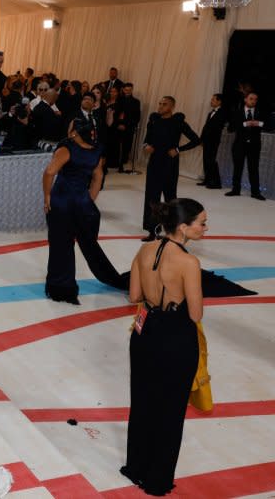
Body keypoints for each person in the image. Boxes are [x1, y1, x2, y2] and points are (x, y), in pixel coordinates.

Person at [121, 198, 206, 496]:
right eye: (201, 223)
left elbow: (134, 295)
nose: (205, 228)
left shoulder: (144, 249)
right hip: (176, 339)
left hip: (145, 334)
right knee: (170, 412)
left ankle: (136, 467)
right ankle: (156, 480)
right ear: (183, 228)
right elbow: (195, 314)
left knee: (142, 402)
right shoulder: (189, 262)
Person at [42, 118, 124, 304]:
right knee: (88, 246)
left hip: (62, 202)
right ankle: (109, 277)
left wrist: (47, 196)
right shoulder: (96, 150)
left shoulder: (67, 148)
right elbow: (98, 177)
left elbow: (49, 172)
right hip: (82, 203)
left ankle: (61, 287)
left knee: (61, 244)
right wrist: (89, 200)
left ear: (75, 132)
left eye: (70, 127)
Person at [141, 96, 201, 241]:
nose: (160, 106)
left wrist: (178, 149)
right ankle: (152, 231)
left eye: (164, 104)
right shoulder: (154, 120)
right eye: (160, 104)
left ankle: (172, 230)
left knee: (170, 198)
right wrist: (146, 146)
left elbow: (196, 140)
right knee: (152, 198)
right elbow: (146, 140)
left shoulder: (178, 122)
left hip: (170, 164)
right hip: (154, 163)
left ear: (172, 107)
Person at [226, 92, 266, 200]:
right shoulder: (236, 112)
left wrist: (259, 123)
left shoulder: (260, 112)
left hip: (254, 146)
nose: (253, 101)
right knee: (237, 168)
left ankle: (255, 192)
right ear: (245, 99)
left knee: (254, 168)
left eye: (255, 99)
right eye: (251, 98)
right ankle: (235, 190)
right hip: (239, 145)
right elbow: (230, 128)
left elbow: (269, 124)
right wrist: (245, 124)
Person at [198, 93, 226, 189]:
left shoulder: (222, 112)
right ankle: (207, 180)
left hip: (213, 140)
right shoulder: (211, 113)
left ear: (219, 101)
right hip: (206, 140)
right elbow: (206, 127)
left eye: (213, 99)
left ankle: (217, 183)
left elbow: (217, 128)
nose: (211, 101)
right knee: (206, 160)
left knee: (211, 161)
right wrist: (202, 139)